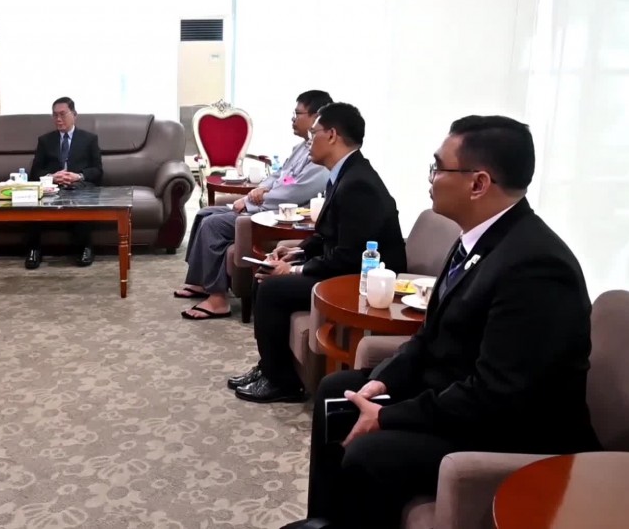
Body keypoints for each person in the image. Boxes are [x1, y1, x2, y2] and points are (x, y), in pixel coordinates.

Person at [282, 116, 601, 529]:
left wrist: (389, 417)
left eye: (438, 167)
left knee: (369, 453)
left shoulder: (536, 267)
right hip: (456, 394)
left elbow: (496, 395)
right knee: (337, 390)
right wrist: (383, 381)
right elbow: (428, 335)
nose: (430, 178)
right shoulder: (475, 238)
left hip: (510, 431)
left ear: (478, 183)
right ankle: (325, 520)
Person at [231, 102, 406, 403]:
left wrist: (296, 270)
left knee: (272, 288)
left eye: (314, 134)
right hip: (344, 267)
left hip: (360, 280)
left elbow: (349, 256)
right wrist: (296, 253)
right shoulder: (344, 173)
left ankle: (283, 383)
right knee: (266, 278)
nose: (309, 141)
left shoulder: (359, 184)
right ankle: (270, 368)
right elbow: (327, 235)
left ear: (333, 135)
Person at [178, 90, 333, 320]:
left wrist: (250, 200)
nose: (292, 118)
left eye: (298, 113)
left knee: (213, 225)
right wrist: (258, 189)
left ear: (315, 117)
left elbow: (295, 191)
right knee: (204, 214)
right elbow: (279, 176)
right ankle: (201, 282)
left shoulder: (319, 155)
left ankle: (218, 300)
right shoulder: (301, 147)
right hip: (266, 205)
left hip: (278, 214)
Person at [24, 97, 103, 269]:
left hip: (78, 185)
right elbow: (35, 172)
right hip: (52, 186)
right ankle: (33, 250)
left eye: (62, 114)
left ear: (74, 115)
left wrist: (79, 176)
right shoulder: (45, 141)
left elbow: (98, 170)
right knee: (34, 201)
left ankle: (85, 248)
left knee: (82, 199)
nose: (58, 119)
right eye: (55, 115)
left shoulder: (89, 139)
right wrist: (51, 177)